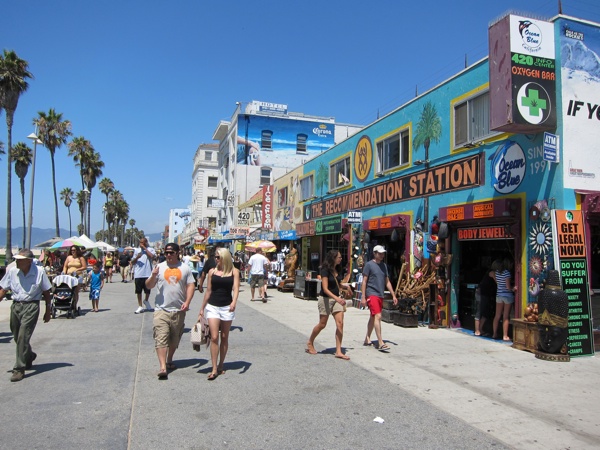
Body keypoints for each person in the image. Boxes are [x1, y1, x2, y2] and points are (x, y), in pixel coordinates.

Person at [0, 249, 52, 382]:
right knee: (17, 336)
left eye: (19, 260)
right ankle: (28, 355)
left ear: (28, 261)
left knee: (23, 336)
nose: (16, 261)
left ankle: (19, 369)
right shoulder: (12, 271)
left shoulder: (39, 272)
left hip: (31, 306)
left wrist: (48, 311)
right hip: (16, 306)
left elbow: (46, 292)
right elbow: (3, 289)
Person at [146, 242, 195, 379]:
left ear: (177, 253)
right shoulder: (159, 267)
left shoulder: (185, 268)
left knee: (174, 338)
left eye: (171, 252)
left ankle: (169, 359)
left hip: (179, 309)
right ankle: (162, 367)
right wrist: (153, 276)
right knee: (161, 337)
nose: (168, 255)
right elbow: (149, 286)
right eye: (166, 252)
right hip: (161, 309)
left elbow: (191, 285)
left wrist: (187, 301)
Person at [198, 247, 240, 380]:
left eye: (218, 257)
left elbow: (236, 288)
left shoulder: (234, 272)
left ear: (224, 258)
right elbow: (209, 291)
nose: (215, 259)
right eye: (215, 257)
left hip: (227, 307)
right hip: (213, 306)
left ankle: (221, 364)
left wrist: (234, 302)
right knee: (214, 337)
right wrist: (202, 308)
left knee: (225, 337)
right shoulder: (212, 271)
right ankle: (214, 367)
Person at [306, 250, 351, 360]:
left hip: (336, 300)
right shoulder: (325, 270)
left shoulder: (337, 269)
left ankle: (338, 351)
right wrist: (337, 298)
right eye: (339, 257)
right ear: (333, 258)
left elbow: (336, 284)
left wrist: (346, 287)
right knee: (322, 324)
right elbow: (325, 289)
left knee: (340, 323)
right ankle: (310, 342)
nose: (341, 259)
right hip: (326, 299)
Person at [360, 245, 398, 350]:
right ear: (374, 253)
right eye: (380, 253)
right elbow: (364, 281)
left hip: (380, 294)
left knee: (373, 317)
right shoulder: (369, 265)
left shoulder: (384, 266)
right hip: (371, 294)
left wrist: (393, 295)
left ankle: (367, 338)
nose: (382, 255)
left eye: (383, 253)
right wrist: (363, 297)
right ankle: (381, 342)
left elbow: (387, 281)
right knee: (378, 316)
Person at [492, 257, 517, 341]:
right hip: (507, 296)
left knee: (497, 315)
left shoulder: (497, 273)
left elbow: (498, 283)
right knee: (506, 316)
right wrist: (513, 288)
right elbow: (508, 287)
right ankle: (505, 335)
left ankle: (494, 334)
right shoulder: (507, 273)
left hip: (499, 295)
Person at [132, 237, 156, 314]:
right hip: (138, 274)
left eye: (143, 242)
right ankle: (140, 306)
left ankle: (146, 300)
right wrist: (137, 257)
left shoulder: (150, 249)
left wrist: (145, 249)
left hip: (148, 273)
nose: (141, 244)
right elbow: (132, 262)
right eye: (140, 242)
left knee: (148, 289)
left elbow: (152, 256)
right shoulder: (136, 250)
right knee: (138, 291)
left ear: (146, 242)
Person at [474, 261, 499, 336]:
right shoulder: (491, 272)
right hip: (481, 293)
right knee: (479, 311)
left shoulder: (493, 272)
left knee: (485, 312)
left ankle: (480, 329)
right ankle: (477, 330)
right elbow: (497, 283)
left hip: (486, 293)